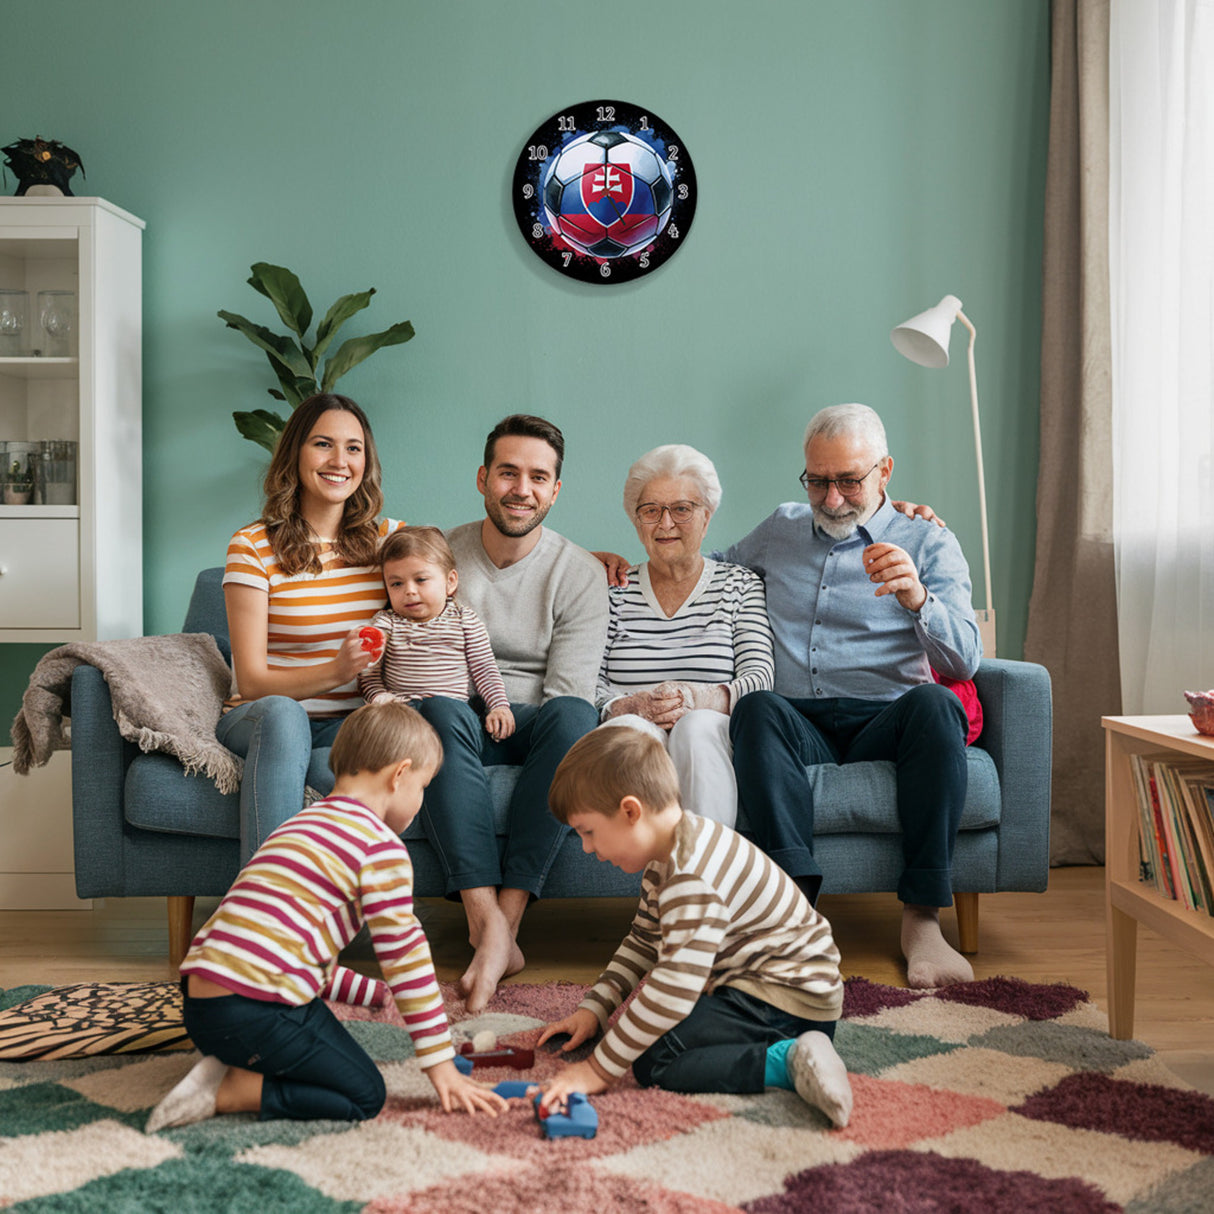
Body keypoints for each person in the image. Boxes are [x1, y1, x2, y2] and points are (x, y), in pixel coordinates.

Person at [146, 701, 506, 1131]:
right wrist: (440, 1064)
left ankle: (236, 1058)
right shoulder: (379, 846)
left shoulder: (299, 825)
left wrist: (367, 993)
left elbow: (284, 949)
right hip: (252, 1012)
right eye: (423, 786)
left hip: (202, 1009)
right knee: (363, 1093)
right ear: (400, 774)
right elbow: (406, 959)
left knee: (303, 1024)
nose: (420, 800)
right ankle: (232, 1089)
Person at [725, 403, 982, 988]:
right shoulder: (779, 528)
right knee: (756, 706)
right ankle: (795, 916)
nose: (832, 498)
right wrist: (615, 568)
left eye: (849, 480)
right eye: (818, 480)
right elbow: (706, 573)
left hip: (888, 718)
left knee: (937, 705)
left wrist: (919, 599)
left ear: (885, 471)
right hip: (799, 721)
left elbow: (965, 658)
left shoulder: (930, 541)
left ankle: (921, 921)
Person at [536, 726, 852, 1128]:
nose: (587, 848)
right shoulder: (668, 855)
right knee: (648, 1034)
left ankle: (787, 1060)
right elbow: (643, 941)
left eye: (588, 832)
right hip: (772, 989)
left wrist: (597, 1071)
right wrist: (595, 1009)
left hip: (787, 1001)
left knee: (656, 1060)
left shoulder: (690, 875)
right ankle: (789, 1046)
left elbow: (672, 991)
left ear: (630, 811)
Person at [417, 414, 609, 1013]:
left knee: (575, 717)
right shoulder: (441, 556)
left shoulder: (579, 572)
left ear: (555, 490)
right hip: (458, 715)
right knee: (442, 709)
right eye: (508, 472)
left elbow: (568, 688)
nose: (520, 489)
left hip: (533, 722)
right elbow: (417, 650)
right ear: (483, 478)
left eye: (537, 477)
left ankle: (507, 921)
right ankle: (486, 927)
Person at [217, 392, 402, 863]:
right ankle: (265, 911)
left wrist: (582, 558)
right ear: (295, 454)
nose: (340, 461)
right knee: (284, 715)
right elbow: (253, 681)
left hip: (348, 725)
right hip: (262, 718)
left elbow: (467, 561)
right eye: (324, 444)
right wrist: (336, 670)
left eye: (354, 448)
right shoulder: (253, 546)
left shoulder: (388, 541)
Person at [595, 443, 774, 826]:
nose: (665, 524)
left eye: (681, 509)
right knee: (632, 731)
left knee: (694, 727)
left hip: (711, 731)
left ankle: (703, 877)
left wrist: (699, 698)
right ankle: (660, 873)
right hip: (633, 728)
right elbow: (585, 681)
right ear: (635, 520)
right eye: (650, 511)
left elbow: (760, 679)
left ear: (707, 517)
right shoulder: (614, 590)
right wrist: (631, 705)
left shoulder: (739, 584)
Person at [358, 525, 515, 742]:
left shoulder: (464, 620)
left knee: (446, 714)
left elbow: (485, 669)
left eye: (421, 580)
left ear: (450, 582)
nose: (409, 591)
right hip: (402, 717)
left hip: (452, 714)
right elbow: (368, 674)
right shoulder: (386, 624)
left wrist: (498, 706)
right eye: (396, 584)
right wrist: (380, 697)